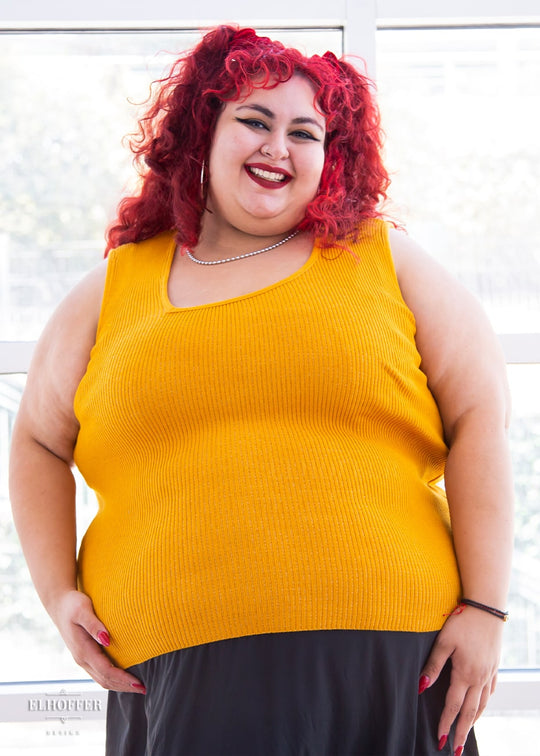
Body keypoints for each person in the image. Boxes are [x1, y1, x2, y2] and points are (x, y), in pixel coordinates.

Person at [9, 25, 513, 756]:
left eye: (305, 131)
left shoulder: (383, 259)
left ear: (329, 156)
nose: (279, 146)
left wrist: (487, 609)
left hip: (396, 663)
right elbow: (35, 441)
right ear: (201, 132)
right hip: (179, 669)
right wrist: (58, 596)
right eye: (255, 120)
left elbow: (480, 416)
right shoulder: (113, 289)